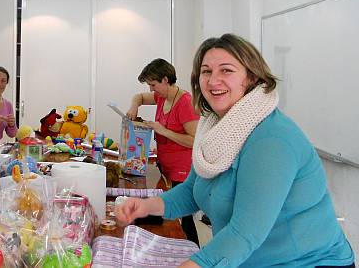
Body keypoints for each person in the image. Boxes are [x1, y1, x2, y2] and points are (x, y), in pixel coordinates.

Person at [116, 34, 355, 268]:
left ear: (251, 77)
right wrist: (146, 206)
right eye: (206, 71)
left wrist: (196, 264)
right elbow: (191, 192)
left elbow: (245, 232)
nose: (213, 81)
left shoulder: (271, 139)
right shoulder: (213, 126)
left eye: (226, 70)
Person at [126, 58, 200, 244]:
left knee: (183, 220)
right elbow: (139, 97)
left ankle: (193, 250)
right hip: (165, 166)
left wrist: (163, 131)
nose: (151, 90)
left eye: (153, 84)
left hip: (182, 171)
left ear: (165, 80)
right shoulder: (161, 97)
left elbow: (194, 140)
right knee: (166, 218)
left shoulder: (185, 103)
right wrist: (134, 106)